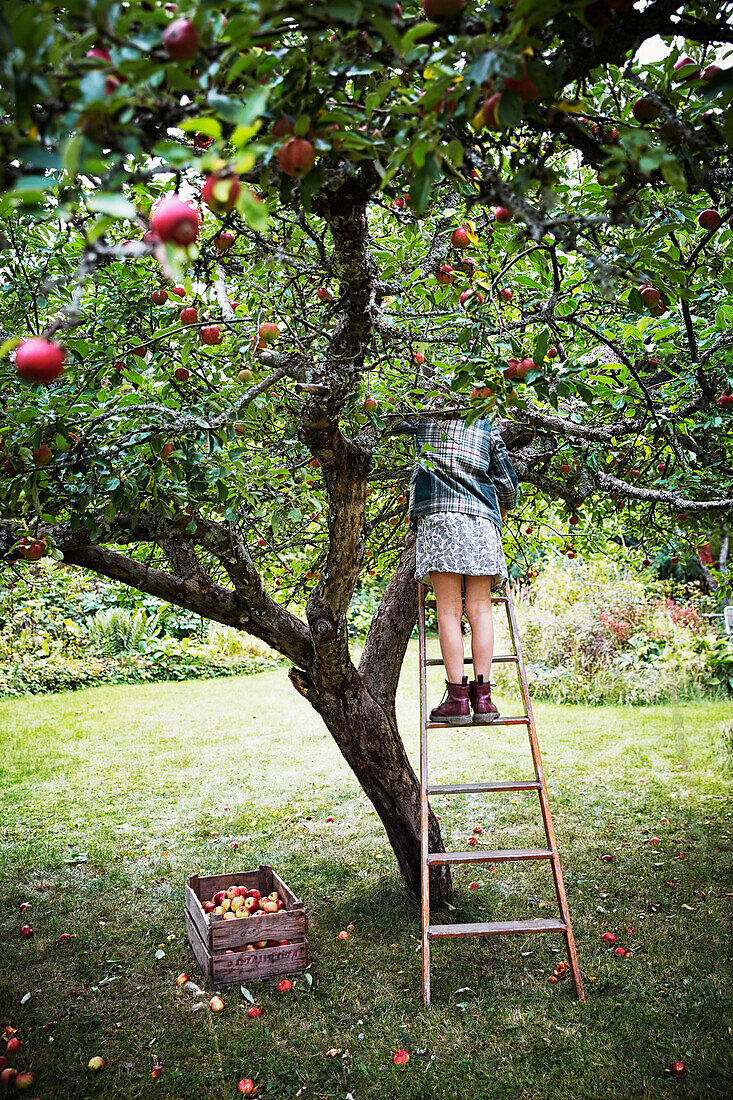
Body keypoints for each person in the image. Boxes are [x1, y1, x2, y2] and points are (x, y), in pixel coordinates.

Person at [406, 409, 519, 725]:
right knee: (481, 611)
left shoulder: (423, 417)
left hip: (440, 518)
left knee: (449, 611)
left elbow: (389, 418)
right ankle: (483, 701)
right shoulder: (485, 425)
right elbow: (507, 484)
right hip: (481, 522)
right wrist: (504, 508)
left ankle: (457, 701)